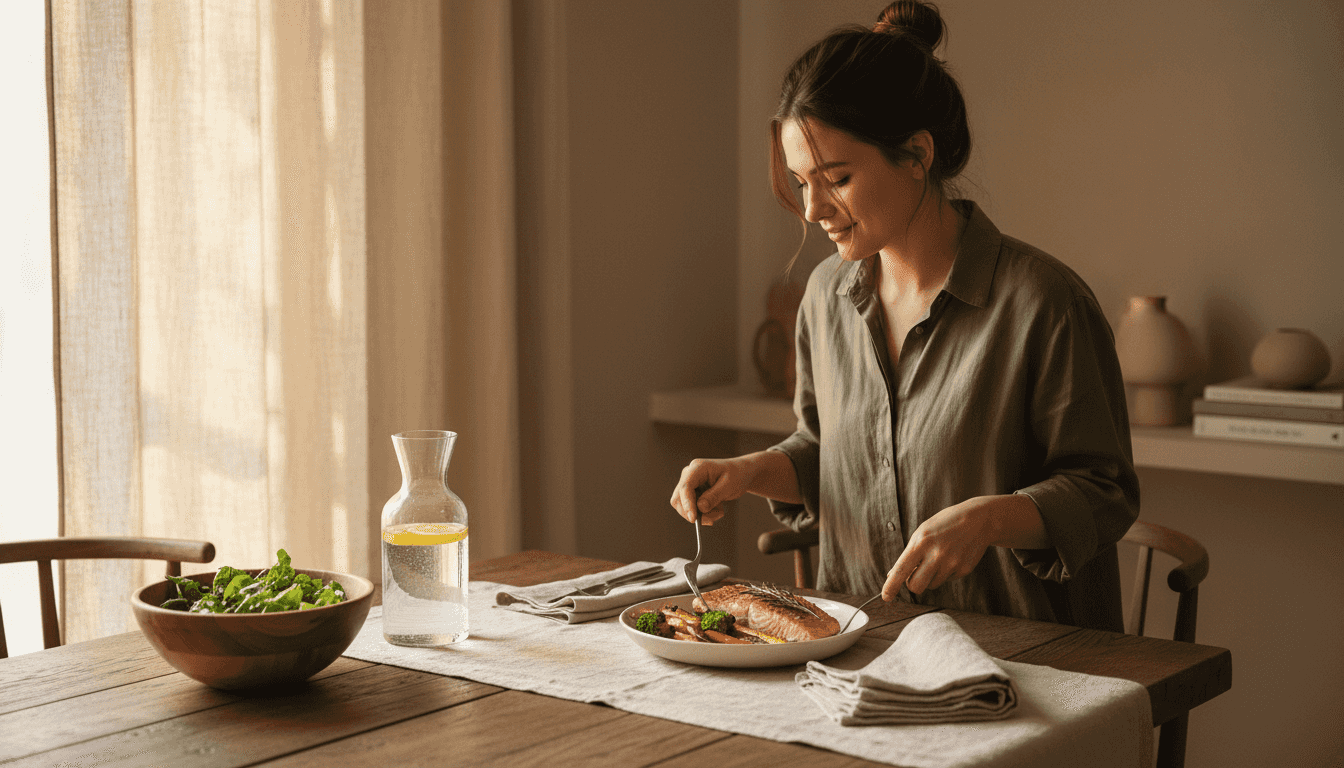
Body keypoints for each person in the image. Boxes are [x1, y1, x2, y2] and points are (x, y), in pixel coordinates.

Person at [669, 0, 1139, 632]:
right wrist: (748, 473)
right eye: (802, 182)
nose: (813, 210)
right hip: (861, 653)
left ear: (917, 153)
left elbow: (1103, 494)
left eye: (835, 178)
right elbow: (828, 456)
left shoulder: (1043, 304)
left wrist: (987, 519)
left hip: (1024, 665)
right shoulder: (825, 297)